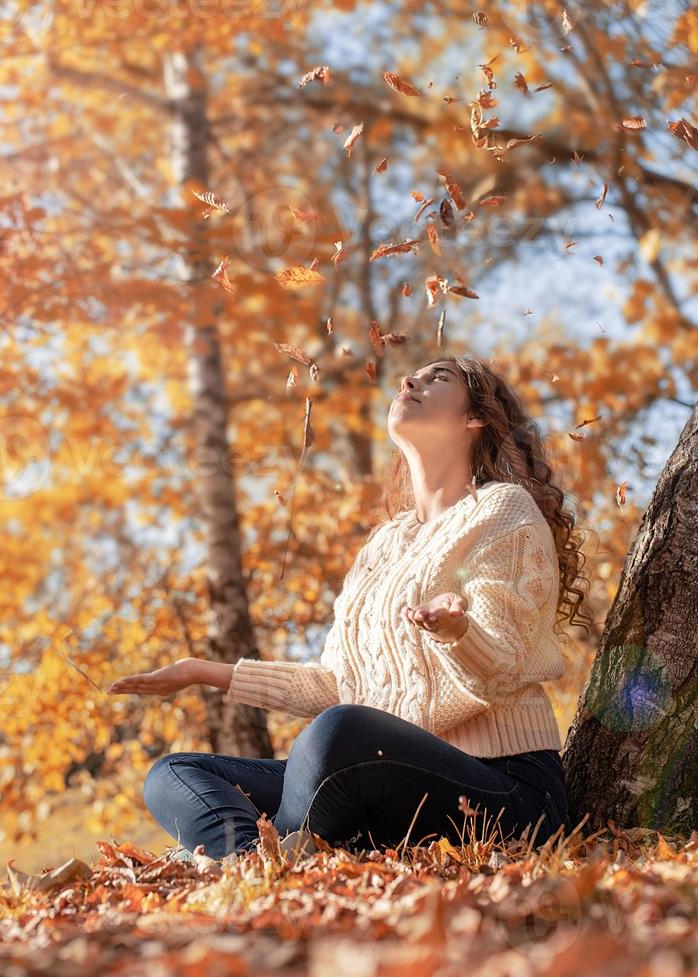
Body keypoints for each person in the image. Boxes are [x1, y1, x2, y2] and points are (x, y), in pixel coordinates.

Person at [109, 355, 595, 859]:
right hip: (374, 771)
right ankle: (253, 861)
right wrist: (201, 671)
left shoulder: (503, 510)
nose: (409, 379)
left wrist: (457, 632)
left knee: (340, 732)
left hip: (501, 788)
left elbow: (502, 665)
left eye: (439, 378)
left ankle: (261, 859)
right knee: (176, 774)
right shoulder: (386, 543)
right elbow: (339, 684)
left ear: (475, 418)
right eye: (415, 373)